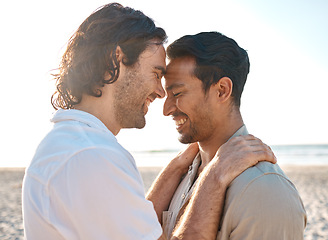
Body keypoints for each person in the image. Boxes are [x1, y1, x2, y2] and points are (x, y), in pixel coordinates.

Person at [22, 4, 276, 240]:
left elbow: (128, 224)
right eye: (156, 73)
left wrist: (176, 169)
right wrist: (216, 174)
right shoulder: (92, 156)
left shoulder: (72, 144)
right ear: (116, 60)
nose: (160, 92)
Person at [162, 31, 307, 240]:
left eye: (176, 94)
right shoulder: (183, 173)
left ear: (222, 90)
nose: (166, 110)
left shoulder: (265, 192)